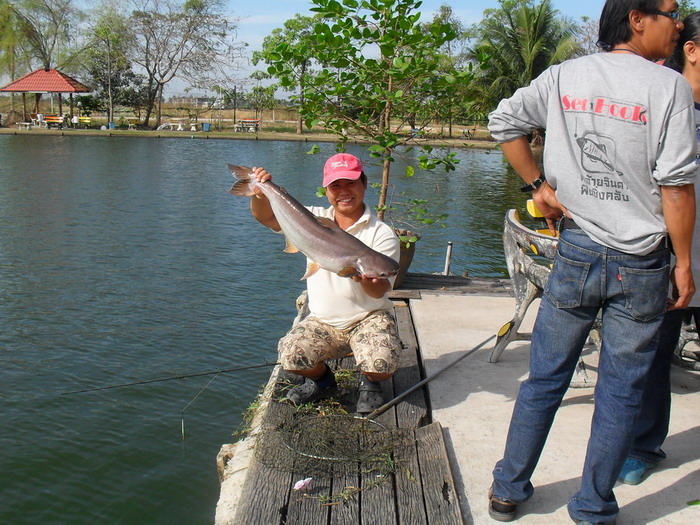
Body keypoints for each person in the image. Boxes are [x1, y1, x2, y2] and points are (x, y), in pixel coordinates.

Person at [486, 1, 696, 524]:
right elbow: (676, 187)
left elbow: (503, 121)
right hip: (643, 260)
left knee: (545, 378)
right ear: (636, 18)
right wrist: (686, 261)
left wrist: (538, 184)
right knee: (621, 389)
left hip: (576, 251)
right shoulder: (668, 86)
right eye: (672, 11)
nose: (681, 21)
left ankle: (509, 487)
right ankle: (593, 506)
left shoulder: (564, 75)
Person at [247, 153, 402, 414]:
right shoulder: (312, 216)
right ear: (327, 190)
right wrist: (260, 190)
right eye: (336, 186)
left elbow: (379, 291)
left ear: (364, 184)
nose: (344, 192)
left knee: (382, 363)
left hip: (368, 317)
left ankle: (371, 382)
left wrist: (360, 278)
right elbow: (267, 218)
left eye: (351, 183)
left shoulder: (381, 234)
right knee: (290, 354)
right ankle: (323, 381)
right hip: (323, 321)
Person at [619, 9, 700, 486]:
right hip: (666, 254)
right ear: (691, 49)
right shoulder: (657, 98)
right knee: (650, 357)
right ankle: (643, 445)